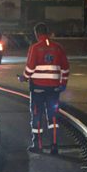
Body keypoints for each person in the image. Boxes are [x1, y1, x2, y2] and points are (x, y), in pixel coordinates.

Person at [21, 22, 69, 155]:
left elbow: (30, 68)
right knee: (53, 117)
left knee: (36, 116)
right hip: (54, 89)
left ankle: (38, 145)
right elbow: (65, 67)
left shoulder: (35, 47)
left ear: (37, 34)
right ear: (47, 32)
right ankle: (54, 146)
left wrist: (24, 78)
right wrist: (63, 82)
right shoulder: (58, 47)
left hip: (38, 89)